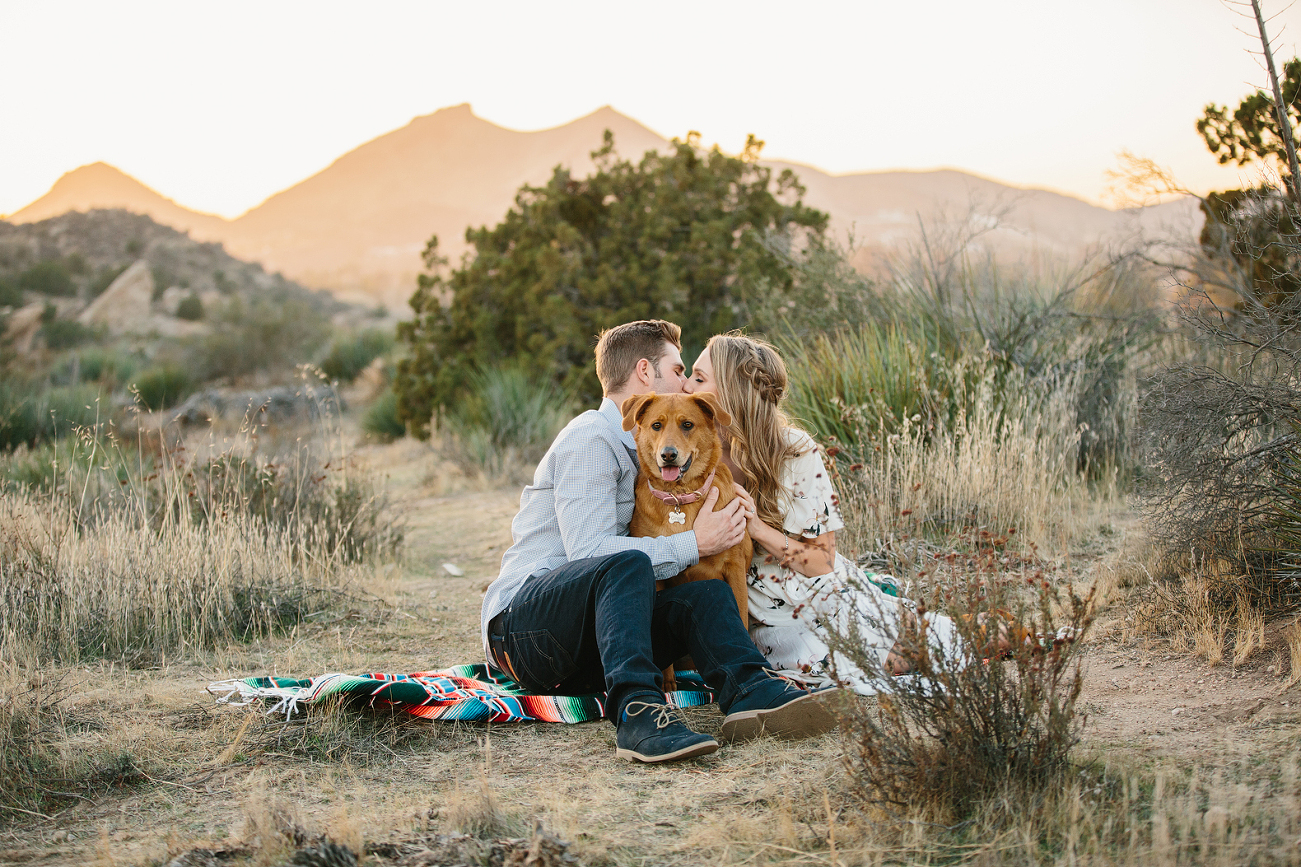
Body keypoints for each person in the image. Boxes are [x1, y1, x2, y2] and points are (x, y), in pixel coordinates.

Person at [481, 320, 844, 764]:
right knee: (626, 560)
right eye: (677, 369)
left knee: (705, 594)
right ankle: (639, 715)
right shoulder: (591, 438)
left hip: (592, 643)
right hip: (525, 633)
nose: (686, 383)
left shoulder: (651, 452)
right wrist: (694, 543)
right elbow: (588, 555)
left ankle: (752, 688)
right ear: (644, 373)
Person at [682, 332, 966, 695]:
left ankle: (1011, 633)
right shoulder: (688, 452)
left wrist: (756, 528)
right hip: (770, 621)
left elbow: (821, 561)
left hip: (823, 593)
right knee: (878, 667)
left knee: (950, 644)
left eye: (700, 378)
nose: (687, 385)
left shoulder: (795, 453)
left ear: (733, 393)